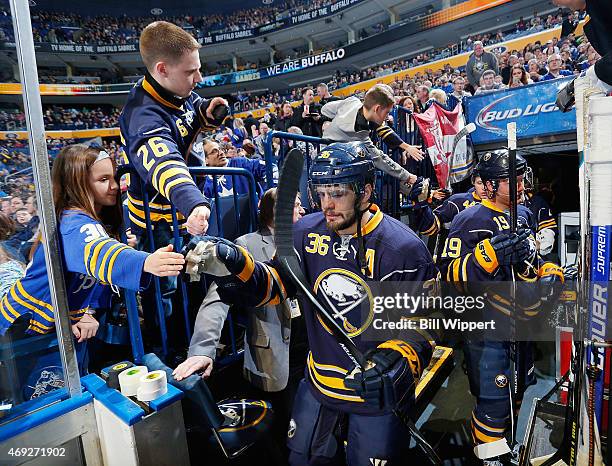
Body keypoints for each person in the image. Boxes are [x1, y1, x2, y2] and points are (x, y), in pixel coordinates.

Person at [185, 142, 438, 465]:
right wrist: (238, 266)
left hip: (372, 395)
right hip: (318, 386)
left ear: (365, 192)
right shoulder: (304, 232)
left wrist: (398, 362)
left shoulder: (403, 248)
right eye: (321, 194)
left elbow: (427, 323)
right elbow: (276, 286)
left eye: (337, 194)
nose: (326, 205)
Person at [0, 145, 185, 399]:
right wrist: (145, 261)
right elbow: (97, 251)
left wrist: (86, 312)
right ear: (77, 184)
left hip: (52, 327)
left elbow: (89, 276)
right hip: (24, 328)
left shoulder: (87, 220)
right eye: (103, 179)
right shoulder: (72, 221)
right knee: (37, 404)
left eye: (114, 177)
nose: (114, 186)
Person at [438, 150, 564, 463]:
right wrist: (485, 257)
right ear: (491, 185)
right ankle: (489, 455)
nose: (522, 186)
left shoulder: (523, 214)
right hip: (488, 334)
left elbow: (531, 265)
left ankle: (505, 444)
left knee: (518, 393)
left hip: (521, 329)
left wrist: (547, 274)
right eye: (515, 180)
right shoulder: (469, 220)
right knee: (493, 405)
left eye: (522, 178)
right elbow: (445, 276)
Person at [174, 188, 307, 454]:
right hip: (277, 357)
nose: (302, 211)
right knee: (289, 434)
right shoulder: (246, 245)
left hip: (314, 351)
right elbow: (217, 300)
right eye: (295, 205)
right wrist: (202, 350)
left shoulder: (308, 240)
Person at [119, 21, 227, 340]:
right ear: (163, 69)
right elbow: (164, 162)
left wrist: (208, 112)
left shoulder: (174, 91)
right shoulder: (143, 116)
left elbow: (189, 121)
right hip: (159, 226)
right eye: (190, 72)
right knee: (165, 298)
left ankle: (199, 346)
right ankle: (172, 355)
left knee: (197, 285)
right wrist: (193, 202)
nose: (199, 78)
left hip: (183, 218)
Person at [320, 84, 425, 195]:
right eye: (387, 112)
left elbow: (325, 110)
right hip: (333, 173)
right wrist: (408, 176)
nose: (387, 117)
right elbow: (381, 160)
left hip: (323, 160)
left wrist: (332, 121)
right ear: (377, 109)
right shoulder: (361, 136)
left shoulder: (352, 102)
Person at [201, 138, 274, 198]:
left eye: (220, 149)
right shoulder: (206, 185)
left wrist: (267, 196)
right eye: (214, 151)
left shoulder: (241, 163)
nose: (221, 153)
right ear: (205, 159)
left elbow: (271, 167)